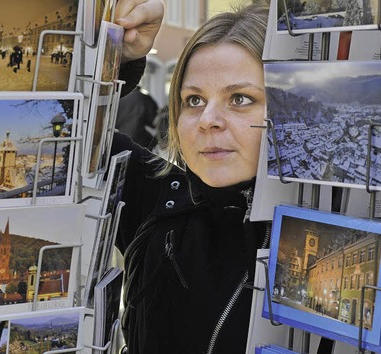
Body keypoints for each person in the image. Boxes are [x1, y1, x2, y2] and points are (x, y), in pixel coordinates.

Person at [112, 3, 270, 353]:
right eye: (194, 99)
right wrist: (118, 55)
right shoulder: (160, 200)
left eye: (240, 98)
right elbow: (65, 129)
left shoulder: (325, 236)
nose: (207, 119)